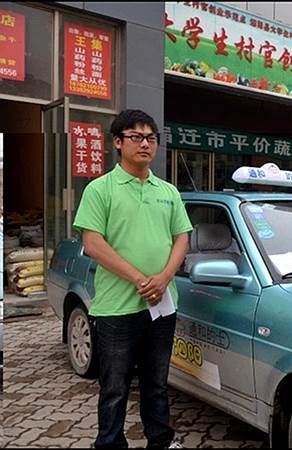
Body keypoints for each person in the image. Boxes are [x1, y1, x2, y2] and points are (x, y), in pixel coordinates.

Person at [73, 109, 192, 449]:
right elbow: (93, 243)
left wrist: (164, 277)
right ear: (118, 142)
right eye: (136, 137)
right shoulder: (100, 189)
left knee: (157, 382)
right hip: (117, 308)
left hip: (161, 305)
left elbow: (182, 237)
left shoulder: (168, 191)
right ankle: (110, 443)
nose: (145, 144)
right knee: (114, 386)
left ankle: (161, 440)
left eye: (151, 138)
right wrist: (141, 279)